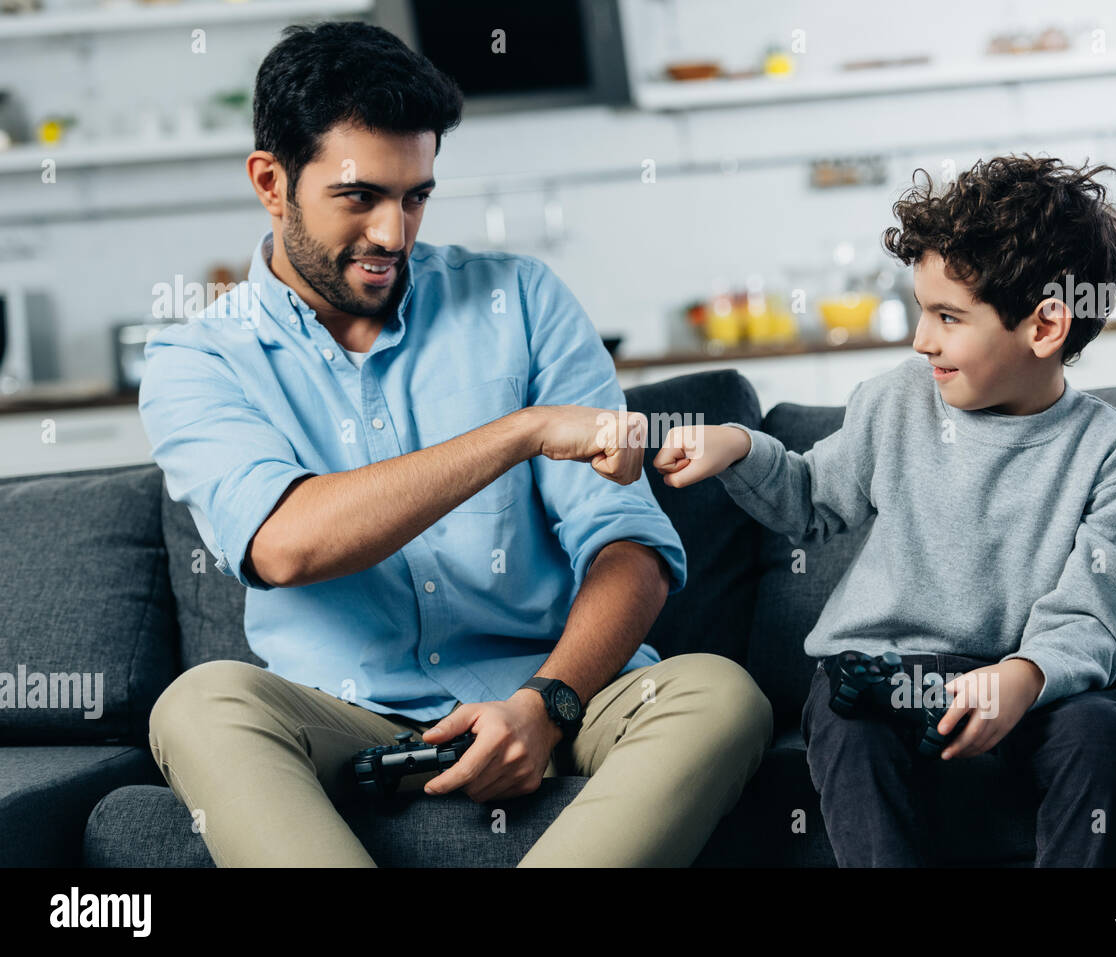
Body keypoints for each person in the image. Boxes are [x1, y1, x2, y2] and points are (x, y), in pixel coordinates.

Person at [139, 21, 771, 868]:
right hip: (342, 714)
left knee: (719, 694)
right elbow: (287, 544)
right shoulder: (198, 360)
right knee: (202, 703)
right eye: (359, 197)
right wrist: (520, 432)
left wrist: (548, 704)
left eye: (415, 196)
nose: (394, 234)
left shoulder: (524, 298)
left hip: (558, 686)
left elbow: (629, 545)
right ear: (271, 182)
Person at [653, 155, 1116, 867]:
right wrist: (740, 447)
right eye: (923, 309)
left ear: (1046, 327)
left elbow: (1094, 614)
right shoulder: (897, 400)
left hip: (1024, 682)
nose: (922, 338)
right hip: (882, 674)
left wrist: (1021, 677)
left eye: (948, 316)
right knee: (843, 712)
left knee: (1102, 738)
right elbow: (807, 499)